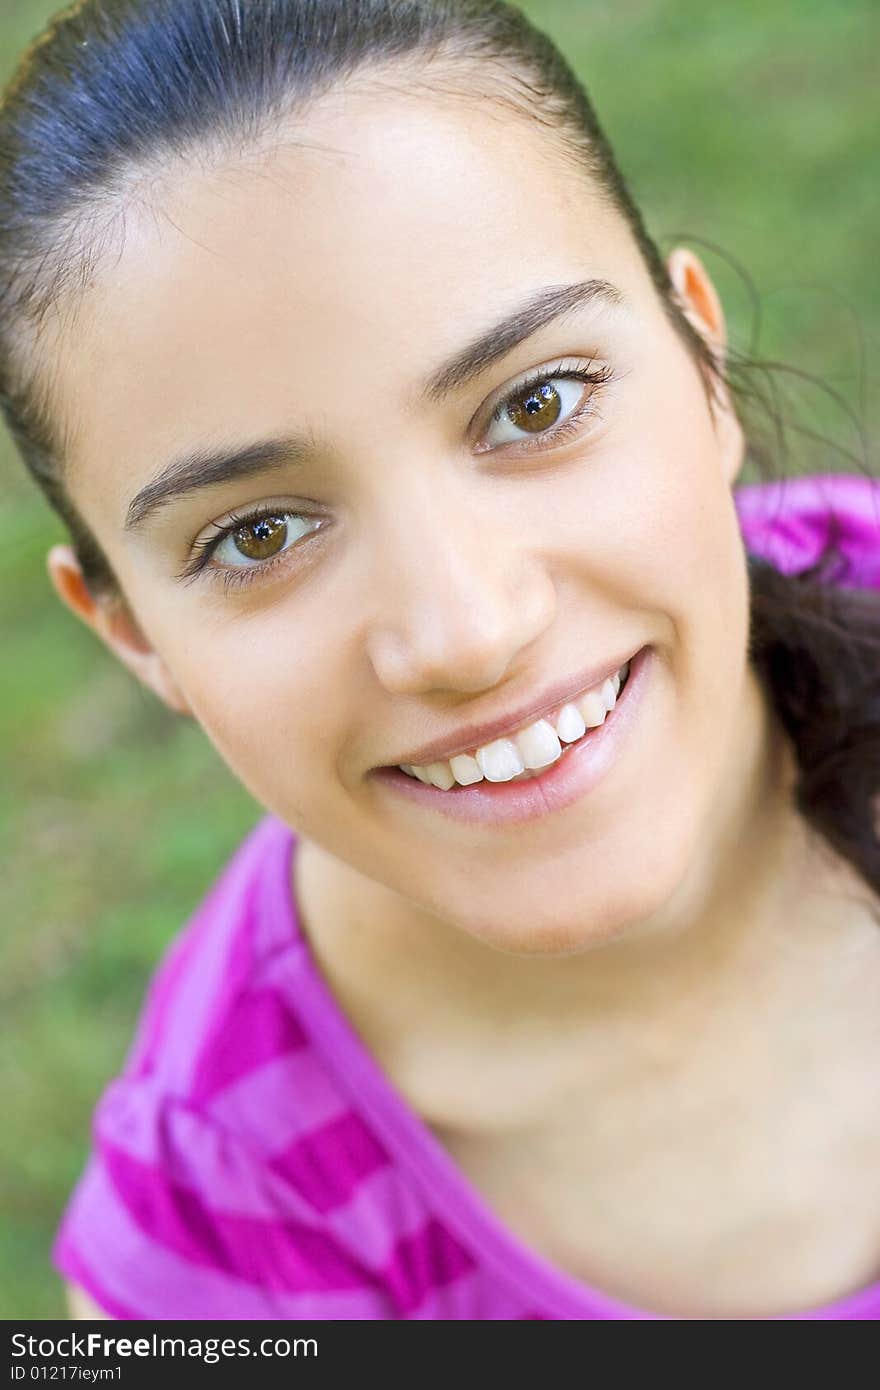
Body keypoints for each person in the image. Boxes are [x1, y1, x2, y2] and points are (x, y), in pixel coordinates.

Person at [1, 0, 878, 1321]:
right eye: (261, 532)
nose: (468, 630)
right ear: (132, 629)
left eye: (535, 404)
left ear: (699, 364)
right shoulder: (215, 1254)